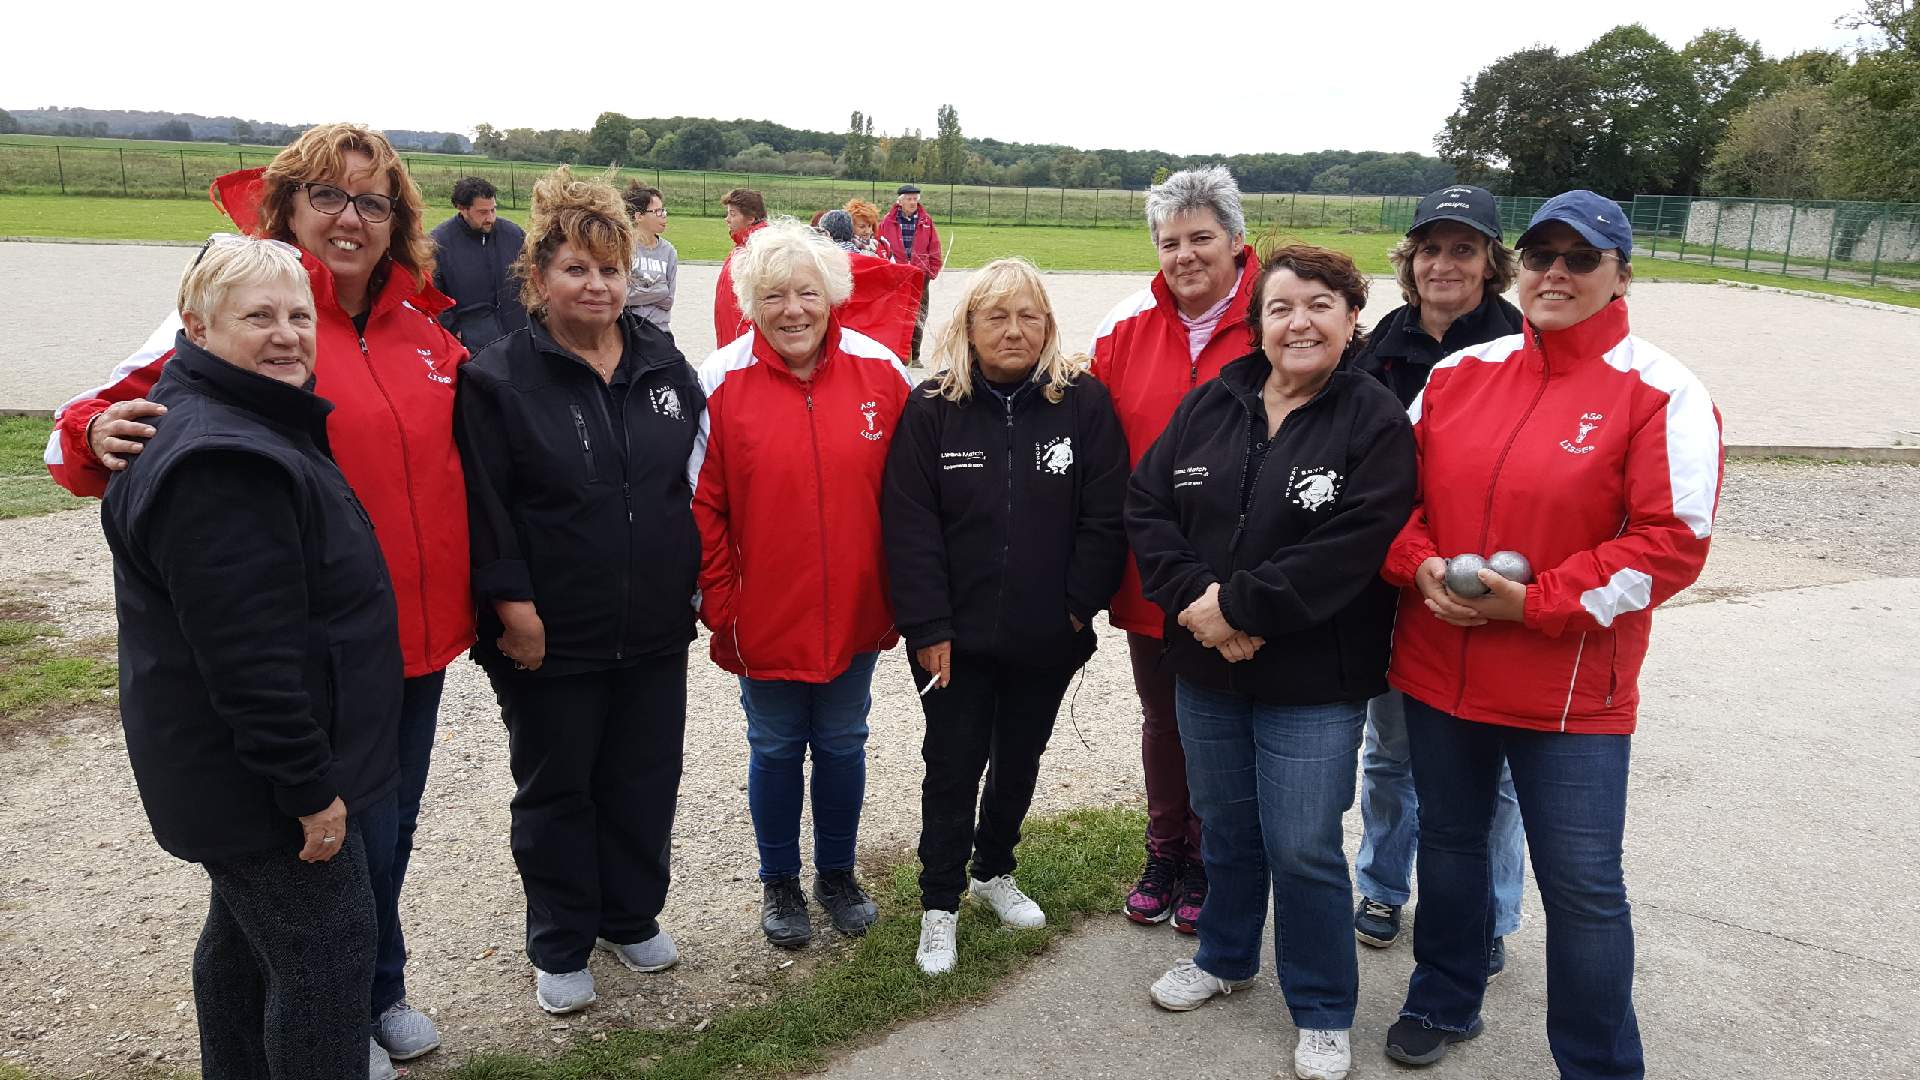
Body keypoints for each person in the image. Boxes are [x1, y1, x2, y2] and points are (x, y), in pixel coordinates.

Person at [44, 122, 470, 1077]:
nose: (351, 218)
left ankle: (378, 990)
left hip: (411, 641)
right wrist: (93, 429)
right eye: (329, 196)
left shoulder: (425, 328)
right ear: (288, 209)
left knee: (373, 847)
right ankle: (341, 1008)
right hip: (299, 661)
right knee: (322, 879)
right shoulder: (255, 301)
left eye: (374, 201)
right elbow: (97, 422)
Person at [1379, 191, 1722, 1076]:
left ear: (1622, 274)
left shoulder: (1662, 391)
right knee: (1449, 848)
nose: (1557, 273)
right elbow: (1388, 503)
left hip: (1569, 690)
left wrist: (1530, 604)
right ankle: (1445, 998)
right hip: (1441, 666)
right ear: (1519, 268)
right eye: (1542, 256)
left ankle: (1600, 1063)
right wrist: (1417, 567)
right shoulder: (1458, 376)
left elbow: (1669, 547)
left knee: (1583, 887)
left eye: (1581, 258)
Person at [99, 236, 403, 1080]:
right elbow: (251, 663)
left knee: (241, 944)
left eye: (299, 315)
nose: (286, 335)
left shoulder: (245, 418)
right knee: (328, 958)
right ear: (195, 327)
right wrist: (308, 791)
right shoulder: (222, 460)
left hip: (230, 780)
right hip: (259, 787)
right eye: (257, 317)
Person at [1127, 244, 1417, 1080]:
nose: (1300, 321)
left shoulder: (1372, 418)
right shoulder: (1211, 403)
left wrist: (1241, 608)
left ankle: (1324, 1007)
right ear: (1258, 322)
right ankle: (1223, 958)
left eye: (1321, 304)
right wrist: (1202, 606)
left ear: (1352, 318)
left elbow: (1355, 542)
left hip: (1313, 682)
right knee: (1226, 828)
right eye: (1283, 306)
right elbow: (1148, 509)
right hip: (1206, 665)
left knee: (1302, 845)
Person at [456, 168, 703, 1016]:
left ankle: (628, 914)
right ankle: (560, 939)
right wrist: (513, 608)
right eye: (576, 270)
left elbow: (686, 486)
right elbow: (488, 511)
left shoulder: (664, 363)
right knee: (560, 786)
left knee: (643, 775)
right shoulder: (499, 379)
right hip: (550, 630)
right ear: (538, 278)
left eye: (612, 269)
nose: (597, 285)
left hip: (655, 621)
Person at [882, 258, 1130, 976]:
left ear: (1049, 325)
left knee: (1020, 758)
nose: (1014, 329)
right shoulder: (933, 404)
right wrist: (927, 626)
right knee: (953, 766)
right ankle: (940, 903)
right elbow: (909, 524)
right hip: (953, 641)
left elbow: (1105, 513)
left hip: (1047, 633)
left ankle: (994, 871)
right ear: (968, 326)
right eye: (997, 315)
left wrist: (1078, 608)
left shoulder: (1081, 403)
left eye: (1028, 315)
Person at [690, 219, 915, 950]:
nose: (794, 310)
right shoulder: (719, 380)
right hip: (765, 614)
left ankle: (838, 873)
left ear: (832, 296)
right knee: (777, 746)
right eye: (775, 295)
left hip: (855, 610)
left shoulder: (881, 370)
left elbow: (913, 498)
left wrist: (897, 594)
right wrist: (723, 605)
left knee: (846, 742)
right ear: (752, 302)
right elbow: (700, 506)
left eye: (808, 293)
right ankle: (780, 880)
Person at [1347, 184, 1527, 969]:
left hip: (1492, 591)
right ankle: (1384, 882)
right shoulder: (1381, 342)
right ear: (1409, 262)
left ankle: (1485, 913)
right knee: (1391, 753)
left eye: (1463, 249)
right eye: (1429, 249)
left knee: (1497, 771)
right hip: (1397, 581)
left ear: (1492, 264)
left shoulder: (1526, 344)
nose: (1443, 264)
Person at [1089, 165, 1262, 934]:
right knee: (1164, 721)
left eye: (1201, 238)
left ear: (1235, 241)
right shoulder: (1126, 331)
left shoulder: (1275, 317)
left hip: (1247, 579)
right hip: (1152, 575)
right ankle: (1168, 851)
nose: (1185, 255)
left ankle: (1218, 861)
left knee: (1234, 726)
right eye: (1170, 242)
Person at [431, 176, 528, 351]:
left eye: (493, 210)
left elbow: (533, 277)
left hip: (518, 337)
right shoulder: (438, 243)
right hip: (474, 349)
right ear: (462, 209)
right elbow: (431, 296)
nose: (490, 218)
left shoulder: (515, 235)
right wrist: (456, 332)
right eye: (483, 212)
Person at [877, 184, 944, 362]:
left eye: (915, 199)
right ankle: (898, 353)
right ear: (900, 201)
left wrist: (931, 271)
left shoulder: (926, 222)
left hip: (920, 276)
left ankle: (915, 355)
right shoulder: (887, 222)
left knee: (918, 314)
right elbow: (881, 246)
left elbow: (935, 247)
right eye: (909, 199)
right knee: (896, 313)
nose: (913, 202)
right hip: (897, 275)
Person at [713, 187, 768, 346]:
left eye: (733, 214)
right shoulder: (742, 246)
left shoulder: (759, 249)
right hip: (734, 339)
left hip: (745, 342)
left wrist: (746, 338)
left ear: (750, 218)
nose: (727, 219)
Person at [623, 182, 678, 334]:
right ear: (639, 216)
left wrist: (639, 290)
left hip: (660, 331)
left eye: (664, 211)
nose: (664, 216)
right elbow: (621, 297)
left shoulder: (669, 252)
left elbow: (668, 300)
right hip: (629, 330)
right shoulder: (624, 248)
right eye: (658, 212)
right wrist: (658, 290)